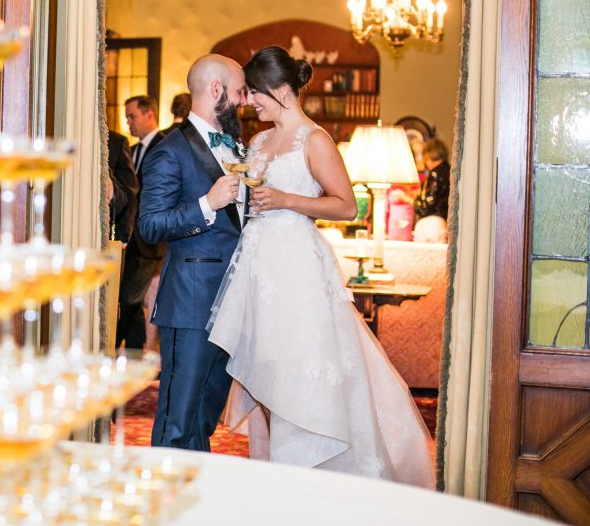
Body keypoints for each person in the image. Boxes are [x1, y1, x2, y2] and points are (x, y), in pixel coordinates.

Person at [206, 45, 433, 487]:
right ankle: (276, 474)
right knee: (264, 369)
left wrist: (289, 200)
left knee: (298, 367)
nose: (249, 102)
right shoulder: (256, 141)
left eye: (255, 93)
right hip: (257, 267)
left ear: (282, 90)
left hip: (296, 270)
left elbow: (346, 205)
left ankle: (318, 473)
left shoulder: (315, 139)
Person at [138, 54, 248, 450]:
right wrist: (207, 203)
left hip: (231, 302)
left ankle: (197, 499)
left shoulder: (238, 147)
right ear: (216, 91)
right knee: (177, 418)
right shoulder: (170, 150)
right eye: (239, 92)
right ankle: (162, 506)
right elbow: (149, 225)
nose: (246, 101)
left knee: (205, 415)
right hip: (190, 302)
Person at [116, 96, 166, 350]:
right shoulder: (132, 150)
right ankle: (135, 352)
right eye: (126, 117)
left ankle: (110, 346)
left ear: (149, 115)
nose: (128, 123)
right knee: (131, 303)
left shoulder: (165, 146)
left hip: (151, 241)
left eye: (132, 116)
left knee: (129, 299)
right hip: (130, 238)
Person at [107, 129, 139, 245]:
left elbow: (130, 190)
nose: (127, 121)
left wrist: (123, 235)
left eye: (132, 116)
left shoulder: (117, 142)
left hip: (111, 231)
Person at [413, 138, 450, 221]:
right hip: (445, 219)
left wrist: (415, 202)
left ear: (428, 156)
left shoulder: (435, 174)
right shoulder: (449, 170)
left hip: (433, 222)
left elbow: (428, 206)